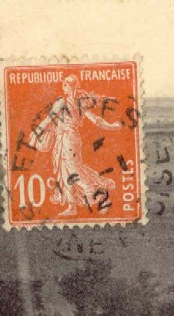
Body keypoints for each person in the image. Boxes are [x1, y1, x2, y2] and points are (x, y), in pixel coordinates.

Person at [26, 75, 122, 217]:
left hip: (70, 139)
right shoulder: (65, 102)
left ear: (71, 86)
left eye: (65, 85)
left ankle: (96, 192)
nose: (63, 87)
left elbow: (95, 120)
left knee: (73, 168)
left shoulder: (76, 103)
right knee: (64, 171)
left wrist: (112, 126)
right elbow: (49, 118)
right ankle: (72, 206)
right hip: (62, 140)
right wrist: (37, 132)